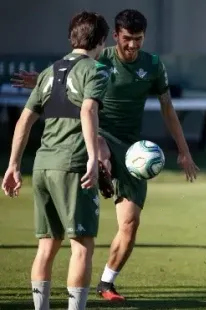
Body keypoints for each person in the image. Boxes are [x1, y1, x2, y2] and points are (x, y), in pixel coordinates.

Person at [11, 9, 199, 301]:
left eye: (138, 39)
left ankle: (107, 283)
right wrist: (41, 80)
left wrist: (184, 151)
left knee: (130, 224)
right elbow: (71, 78)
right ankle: (102, 168)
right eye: (127, 39)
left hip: (132, 149)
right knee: (98, 142)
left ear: (144, 37)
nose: (133, 45)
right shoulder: (100, 59)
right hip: (98, 134)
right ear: (115, 36)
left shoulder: (152, 65)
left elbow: (167, 108)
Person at [2, 11, 110, 310]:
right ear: (102, 41)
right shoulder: (96, 70)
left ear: (71, 38)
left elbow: (25, 119)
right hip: (72, 165)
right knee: (82, 247)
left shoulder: (49, 72)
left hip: (42, 166)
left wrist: (12, 164)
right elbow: (89, 110)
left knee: (47, 246)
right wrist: (92, 157)